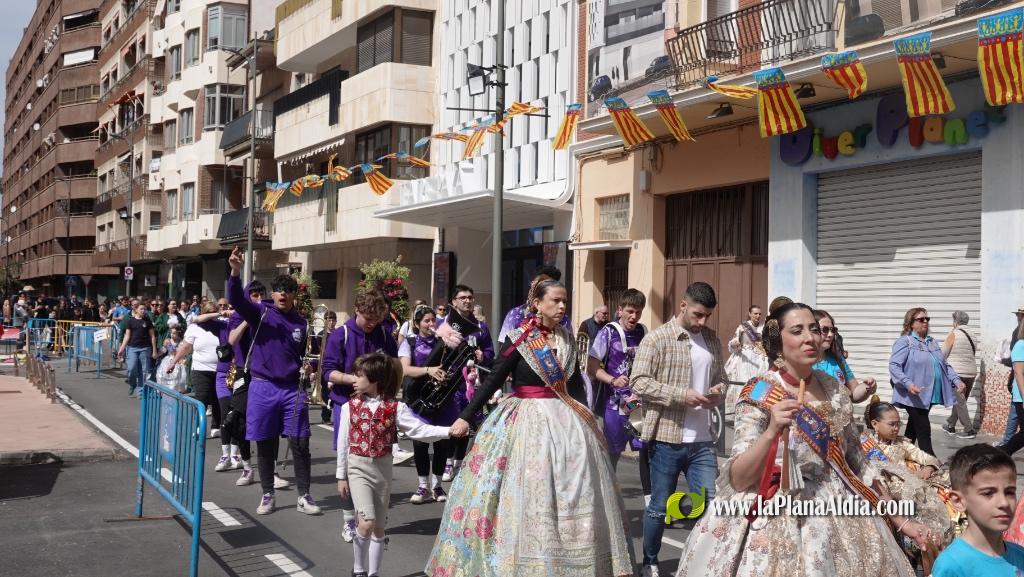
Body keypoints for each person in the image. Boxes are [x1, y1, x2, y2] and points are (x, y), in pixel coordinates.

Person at [675, 301, 932, 577]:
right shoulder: (760, 391)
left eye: (814, 329)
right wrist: (772, 431)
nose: (810, 338)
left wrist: (901, 521)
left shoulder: (835, 389)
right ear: (778, 341)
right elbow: (738, 478)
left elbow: (859, 463)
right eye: (797, 331)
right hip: (778, 510)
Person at [425, 279, 634, 577]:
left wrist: (587, 419)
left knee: (576, 492)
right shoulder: (520, 338)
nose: (562, 306)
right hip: (526, 421)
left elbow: (574, 386)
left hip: (567, 425)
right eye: (555, 301)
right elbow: (494, 379)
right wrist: (466, 416)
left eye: (565, 301)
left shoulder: (567, 339)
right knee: (529, 490)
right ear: (537, 303)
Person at [631, 282, 726, 577]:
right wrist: (680, 395)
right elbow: (638, 381)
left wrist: (718, 391)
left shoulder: (711, 339)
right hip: (666, 438)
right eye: (697, 314)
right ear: (683, 306)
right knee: (660, 506)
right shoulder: (657, 339)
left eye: (707, 316)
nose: (702, 322)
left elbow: (722, 378)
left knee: (709, 504)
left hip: (703, 440)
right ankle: (650, 561)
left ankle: (701, 562)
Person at [337, 353, 452, 577]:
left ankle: (373, 573)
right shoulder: (349, 407)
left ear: (374, 379)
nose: (354, 379)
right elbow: (343, 443)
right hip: (357, 467)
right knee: (366, 523)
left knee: (379, 529)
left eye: (359, 375)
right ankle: (359, 570)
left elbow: (419, 430)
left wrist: (448, 431)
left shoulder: (394, 407)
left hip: (382, 470)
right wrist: (341, 476)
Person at [226, 247, 320, 517]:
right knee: (266, 442)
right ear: (273, 293)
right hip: (262, 385)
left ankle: (304, 495)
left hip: (292, 389)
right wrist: (235, 271)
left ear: (293, 295)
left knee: (300, 443)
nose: (282, 294)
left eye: (287, 291)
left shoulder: (301, 323)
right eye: (278, 290)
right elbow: (236, 299)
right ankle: (268, 493)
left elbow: (308, 355)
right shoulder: (260, 313)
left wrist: (309, 367)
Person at [321, 288, 398, 541]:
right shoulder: (340, 335)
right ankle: (348, 520)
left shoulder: (383, 334)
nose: (372, 324)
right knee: (348, 461)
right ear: (357, 311)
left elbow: (393, 366)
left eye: (377, 319)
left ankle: (371, 517)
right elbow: (328, 371)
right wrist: (351, 380)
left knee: (376, 460)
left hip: (376, 406)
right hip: (347, 405)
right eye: (368, 319)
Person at [861, 398, 961, 568]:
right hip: (878, 493)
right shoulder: (861, 444)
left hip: (908, 491)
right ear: (875, 424)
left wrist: (928, 467)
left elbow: (928, 458)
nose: (896, 428)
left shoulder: (902, 444)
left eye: (898, 424)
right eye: (891, 424)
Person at [931, 444, 1024, 577]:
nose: (1004, 503)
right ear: (958, 501)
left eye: (1009, 492)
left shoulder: (1020, 555)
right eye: (988, 493)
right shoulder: (952, 565)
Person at [587, 289, 649, 484]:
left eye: (638, 312)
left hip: (637, 404)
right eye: (630, 311)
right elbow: (592, 366)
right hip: (614, 404)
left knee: (645, 451)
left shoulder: (643, 332)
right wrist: (613, 380)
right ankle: (609, 493)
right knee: (613, 452)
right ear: (620, 310)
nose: (634, 316)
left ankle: (650, 498)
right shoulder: (608, 332)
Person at [434, 284, 495, 481]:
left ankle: (460, 463)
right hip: (450, 382)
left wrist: (482, 356)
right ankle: (447, 462)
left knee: (467, 423)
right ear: (454, 301)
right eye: (463, 298)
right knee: (451, 423)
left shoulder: (481, 327)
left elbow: (490, 353)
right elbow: (436, 352)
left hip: (471, 383)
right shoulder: (444, 324)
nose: (467, 301)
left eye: (470, 297)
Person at [889, 307, 965, 456]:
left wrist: (957, 381)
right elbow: (894, 365)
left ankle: (900, 456)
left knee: (913, 428)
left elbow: (944, 365)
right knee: (923, 429)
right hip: (913, 393)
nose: (925, 321)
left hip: (929, 394)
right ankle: (932, 462)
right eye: (921, 319)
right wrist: (908, 383)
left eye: (927, 319)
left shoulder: (931, 342)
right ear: (911, 323)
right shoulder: (905, 341)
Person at [398, 305, 452, 504]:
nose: (431, 324)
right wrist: (428, 370)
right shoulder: (409, 342)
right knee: (420, 443)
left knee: (441, 442)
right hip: (418, 398)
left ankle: (437, 486)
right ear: (417, 323)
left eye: (433, 320)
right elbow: (405, 369)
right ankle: (423, 486)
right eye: (426, 321)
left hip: (441, 398)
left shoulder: (443, 342)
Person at [225, 281, 268, 488]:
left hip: (266, 374)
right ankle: (247, 466)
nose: (258, 298)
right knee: (237, 421)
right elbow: (231, 340)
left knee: (267, 423)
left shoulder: (270, 314)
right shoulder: (238, 315)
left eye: (261, 294)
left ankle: (271, 469)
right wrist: (248, 319)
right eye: (254, 295)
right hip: (244, 371)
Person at [167, 303, 226, 443]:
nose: (211, 316)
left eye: (214, 312)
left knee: (218, 399)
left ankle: (216, 425)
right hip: (200, 369)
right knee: (202, 398)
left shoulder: (222, 325)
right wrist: (173, 362)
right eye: (209, 312)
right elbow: (185, 347)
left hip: (220, 369)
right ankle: (198, 427)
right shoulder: (194, 327)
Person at [812, 309, 877, 402]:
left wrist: (867, 386)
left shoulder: (838, 359)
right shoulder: (803, 364)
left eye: (833, 330)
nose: (830, 334)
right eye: (825, 330)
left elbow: (853, 393)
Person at [497, 266, 573, 341]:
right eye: (534, 284)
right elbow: (505, 344)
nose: (562, 306)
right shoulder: (516, 314)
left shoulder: (563, 319)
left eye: (564, 301)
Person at [942, 311, 979, 439]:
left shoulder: (953, 334)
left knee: (960, 402)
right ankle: (950, 425)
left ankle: (969, 430)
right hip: (971, 372)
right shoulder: (973, 335)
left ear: (956, 321)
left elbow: (943, 354)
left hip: (956, 374)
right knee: (960, 402)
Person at [116, 303, 157, 397]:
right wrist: (121, 349)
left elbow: (152, 336)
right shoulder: (131, 321)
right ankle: (132, 384)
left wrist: (154, 350)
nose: (143, 311)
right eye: (141, 309)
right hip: (132, 348)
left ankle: (141, 391)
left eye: (144, 309)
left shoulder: (147, 321)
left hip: (145, 348)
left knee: (144, 370)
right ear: (136, 310)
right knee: (131, 368)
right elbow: (127, 336)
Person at [998, 315, 1024, 455]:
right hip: (1021, 395)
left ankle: (1002, 452)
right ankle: (1002, 453)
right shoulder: (1020, 345)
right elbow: (1019, 373)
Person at [724, 304, 767, 384]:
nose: (758, 316)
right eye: (755, 314)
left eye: (759, 314)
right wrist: (735, 343)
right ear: (750, 314)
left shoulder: (763, 327)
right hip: (745, 358)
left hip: (759, 359)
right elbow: (734, 341)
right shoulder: (743, 327)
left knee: (759, 383)